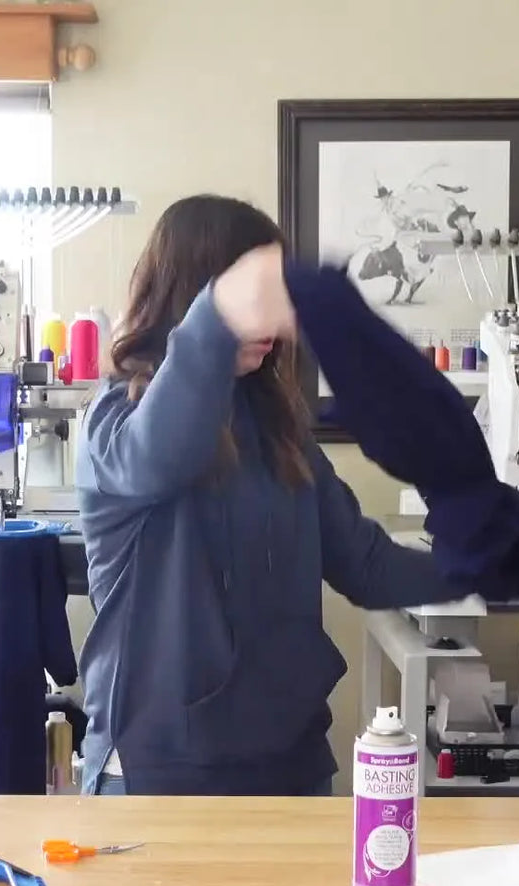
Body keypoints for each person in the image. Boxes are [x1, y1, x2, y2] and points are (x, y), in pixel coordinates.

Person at [73, 194, 472, 797]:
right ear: (200, 295)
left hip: (290, 761)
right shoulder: (117, 419)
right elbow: (161, 456)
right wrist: (218, 317)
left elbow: (365, 565)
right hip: (162, 771)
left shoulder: (279, 430)